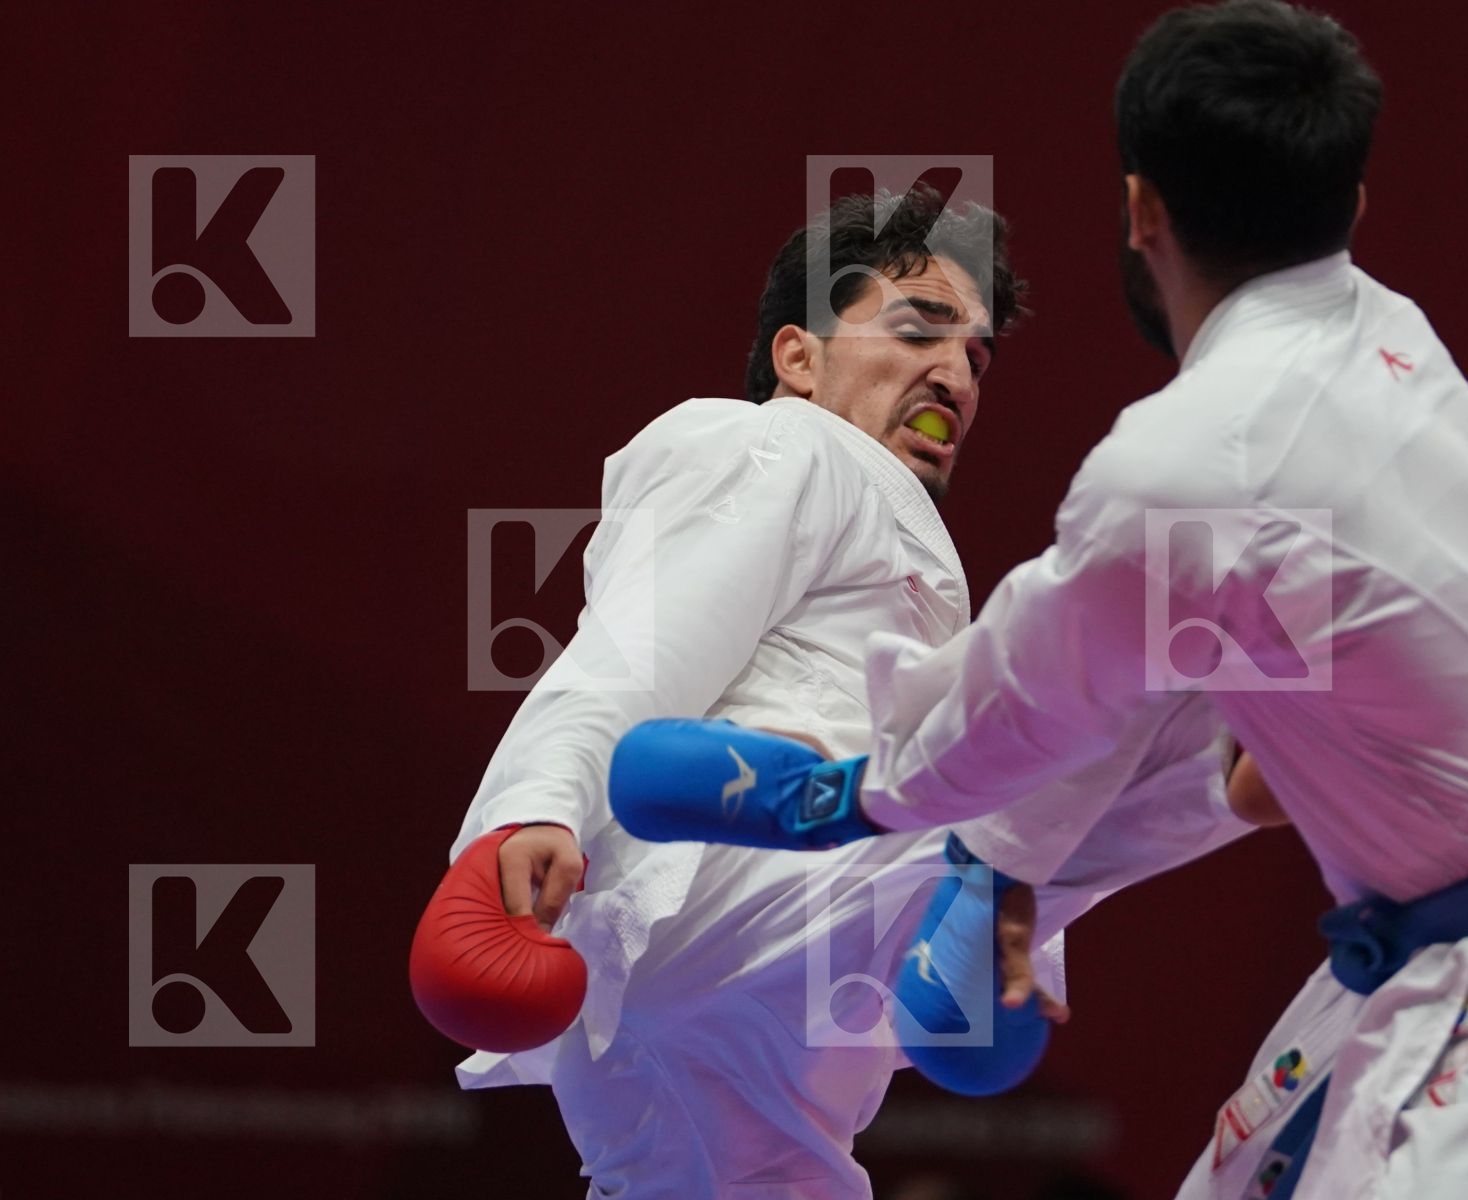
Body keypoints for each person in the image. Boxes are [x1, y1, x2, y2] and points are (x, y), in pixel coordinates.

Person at [605, 4, 1468, 1198]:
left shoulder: (1188, 466)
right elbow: (1187, 727)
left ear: (1142, 207)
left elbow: (1036, 706)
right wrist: (1017, 861)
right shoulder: (1393, 338)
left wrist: (839, 802)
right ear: (1350, 204)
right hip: (1433, 960)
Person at [426, 187, 1257, 1199]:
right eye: (919, 330)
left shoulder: (891, 529)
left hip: (767, 1020)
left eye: (977, 357)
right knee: (1188, 614)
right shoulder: (783, 444)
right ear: (799, 358)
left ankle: (1013, 871)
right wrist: (526, 810)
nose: (954, 372)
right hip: (730, 875)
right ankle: (1030, 846)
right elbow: (638, 645)